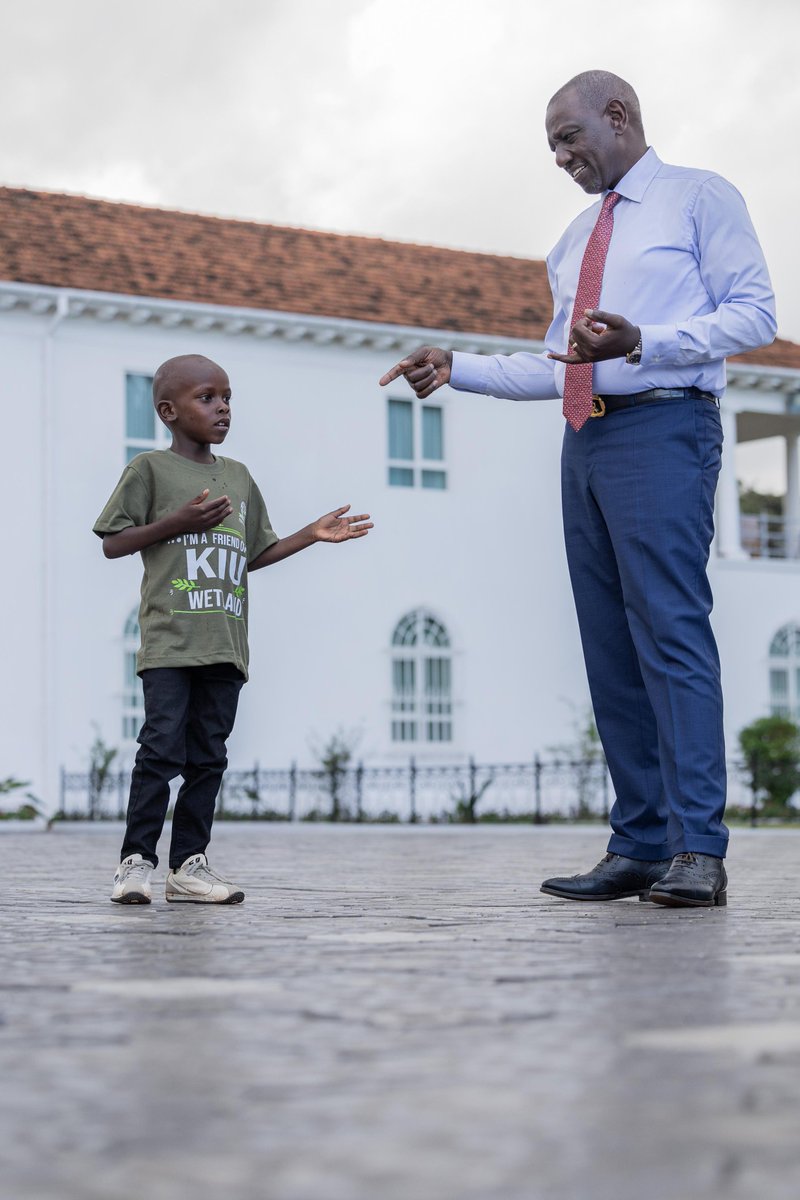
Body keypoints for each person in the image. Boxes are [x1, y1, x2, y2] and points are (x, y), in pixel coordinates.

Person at [379, 70, 776, 907]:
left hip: (666, 427)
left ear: (618, 116)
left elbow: (755, 315)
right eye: (552, 146)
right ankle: (639, 842)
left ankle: (698, 849)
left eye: (569, 138)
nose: (560, 157)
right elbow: (554, 362)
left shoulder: (699, 198)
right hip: (585, 437)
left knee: (671, 634)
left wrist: (647, 343)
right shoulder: (571, 242)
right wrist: (458, 369)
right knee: (610, 648)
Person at [94, 354, 372, 904]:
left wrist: (310, 534)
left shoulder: (239, 477)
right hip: (171, 642)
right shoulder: (149, 470)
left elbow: (254, 552)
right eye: (207, 397)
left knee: (209, 757)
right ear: (168, 411)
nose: (222, 408)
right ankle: (135, 863)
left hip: (226, 646)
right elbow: (112, 542)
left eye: (227, 398)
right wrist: (179, 522)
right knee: (159, 750)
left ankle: (189, 867)